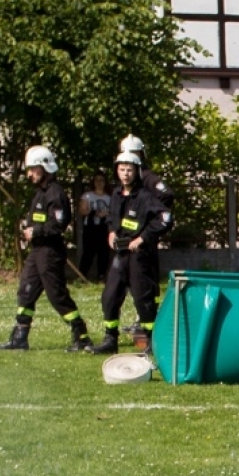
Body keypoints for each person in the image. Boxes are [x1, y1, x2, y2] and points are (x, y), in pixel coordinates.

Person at [0, 146, 95, 353]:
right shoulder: (40, 193)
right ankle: (20, 337)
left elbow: (58, 224)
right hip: (37, 251)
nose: (29, 174)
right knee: (26, 291)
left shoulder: (55, 193)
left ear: (45, 168)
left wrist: (36, 231)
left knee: (57, 295)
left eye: (33, 169)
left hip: (50, 252)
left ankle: (81, 335)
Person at [97, 151, 170, 355]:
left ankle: (150, 343)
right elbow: (112, 218)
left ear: (137, 171)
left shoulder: (146, 197)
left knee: (142, 299)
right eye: (122, 169)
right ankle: (110, 338)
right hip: (119, 255)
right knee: (110, 296)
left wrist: (142, 238)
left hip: (138, 256)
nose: (125, 173)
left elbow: (164, 219)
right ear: (116, 171)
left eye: (129, 169)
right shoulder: (116, 194)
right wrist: (111, 233)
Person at [77, 172, 113, 282]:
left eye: (101, 180)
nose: (99, 182)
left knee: (104, 252)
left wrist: (106, 213)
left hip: (104, 227)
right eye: (96, 180)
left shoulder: (109, 197)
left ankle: (101, 275)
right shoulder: (87, 196)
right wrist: (92, 211)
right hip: (90, 227)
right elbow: (82, 211)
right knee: (88, 252)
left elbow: (114, 212)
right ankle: (82, 275)